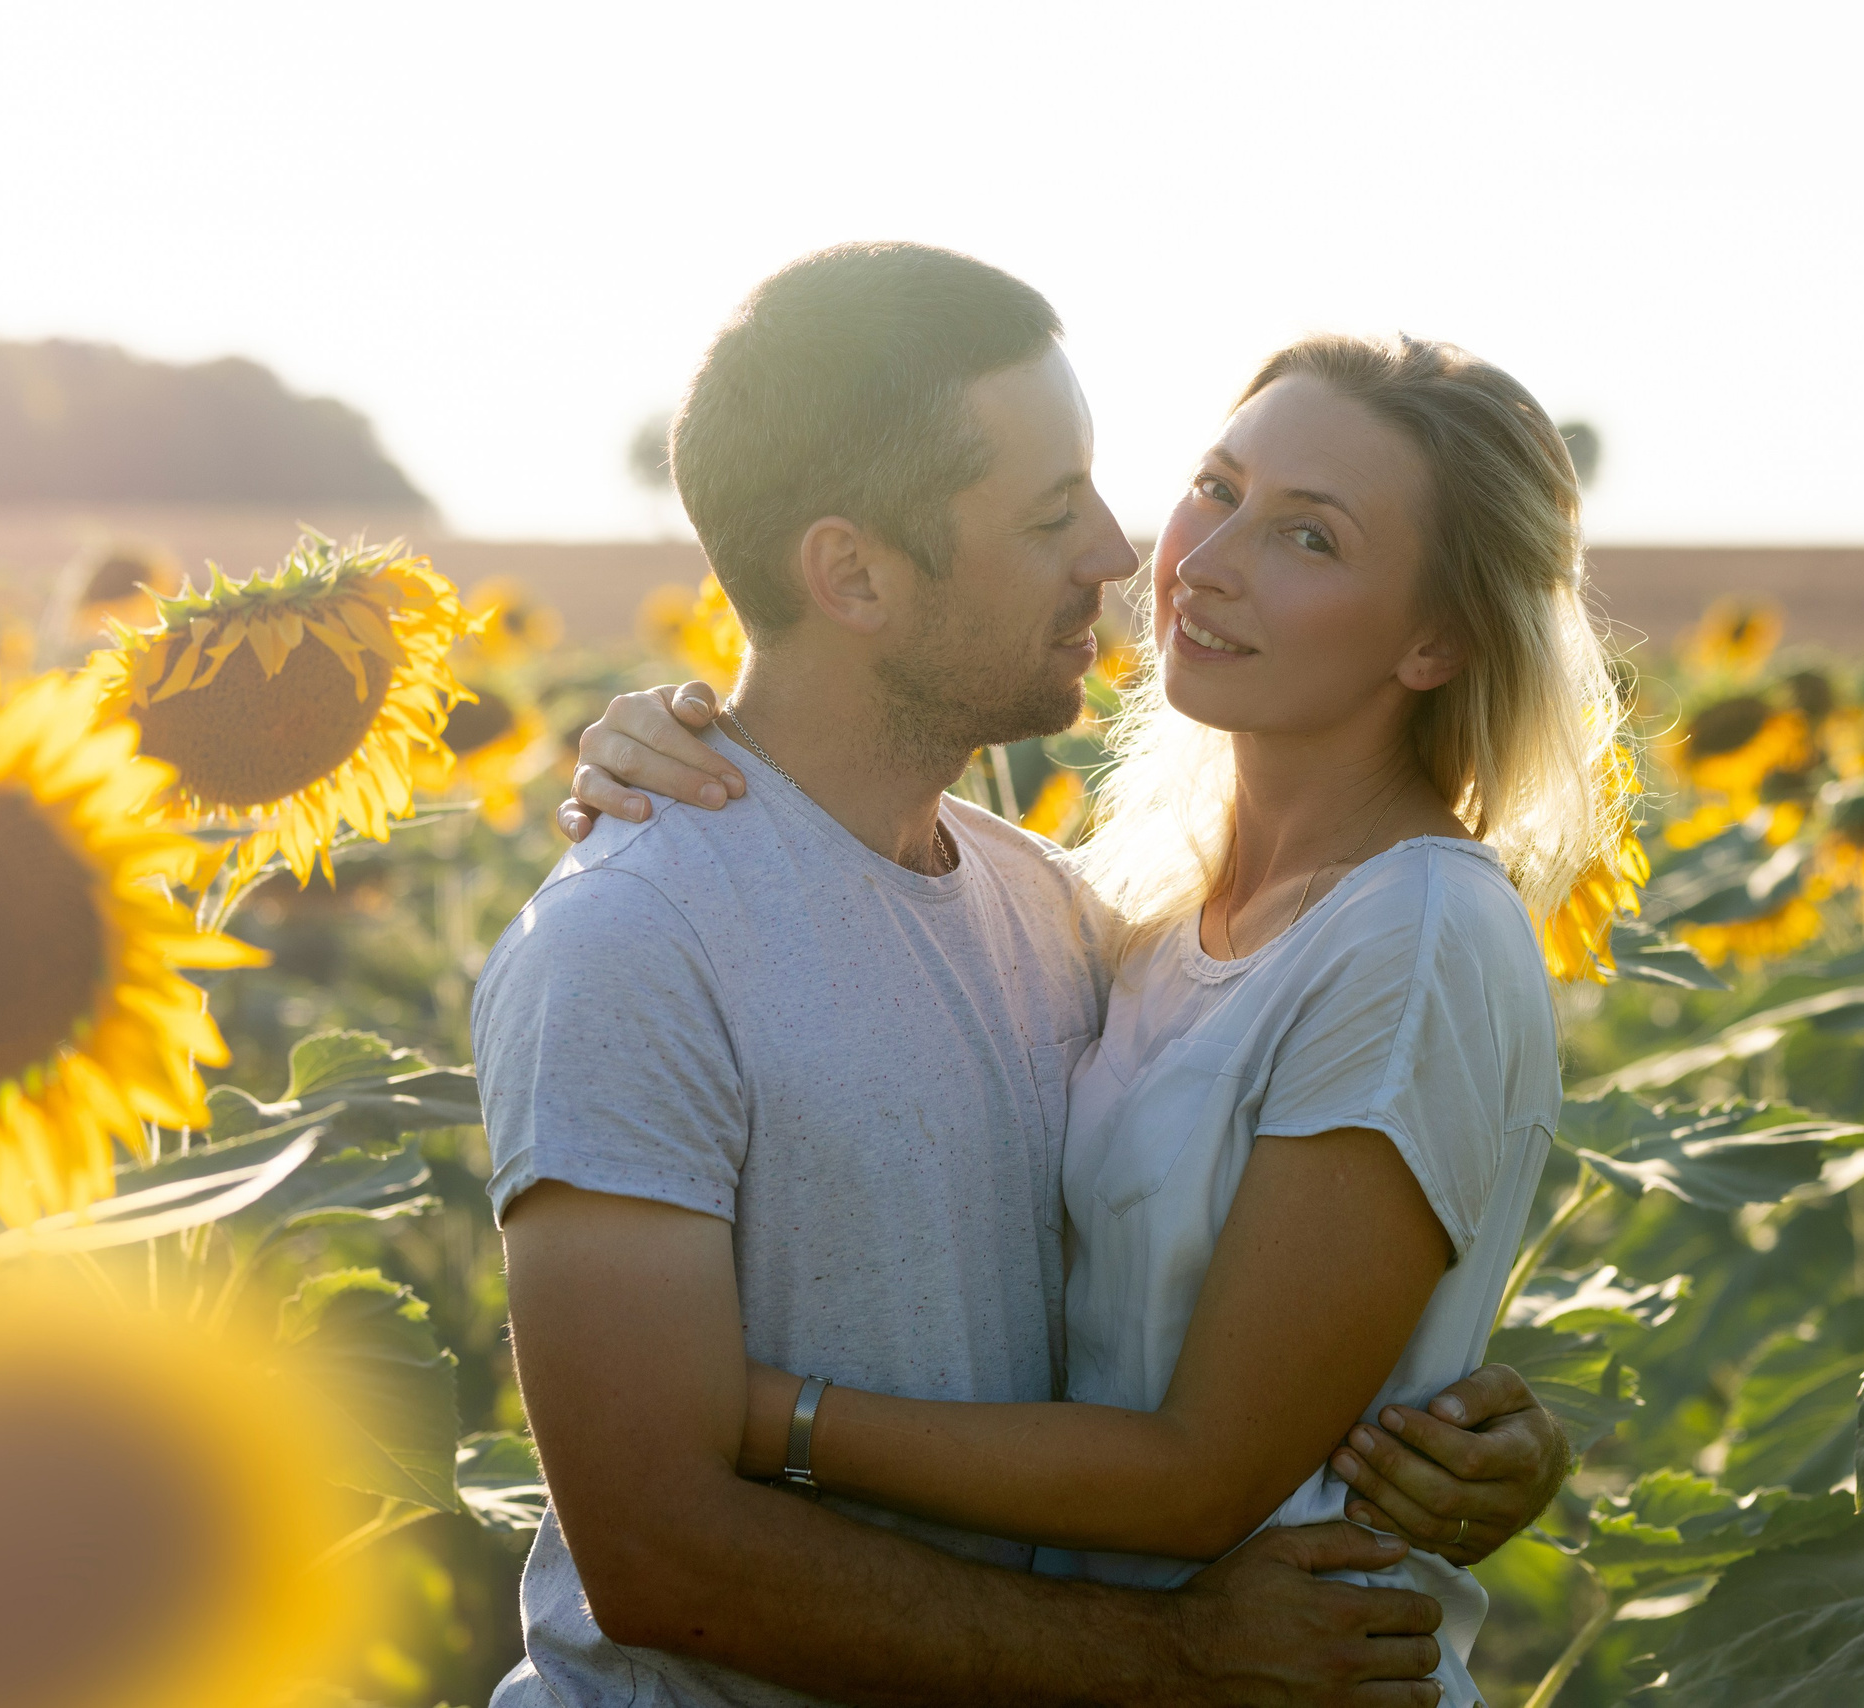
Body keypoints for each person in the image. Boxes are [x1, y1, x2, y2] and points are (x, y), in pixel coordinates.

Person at [480, 244, 1571, 1708]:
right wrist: (1170, 1657)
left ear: (1439, 636)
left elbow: (1214, 1417)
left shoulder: (1052, 909)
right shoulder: (638, 932)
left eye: (1310, 535)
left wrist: (1456, 1430)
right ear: (851, 571)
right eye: (1059, 511)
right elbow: (664, 1556)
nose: (1134, 558)